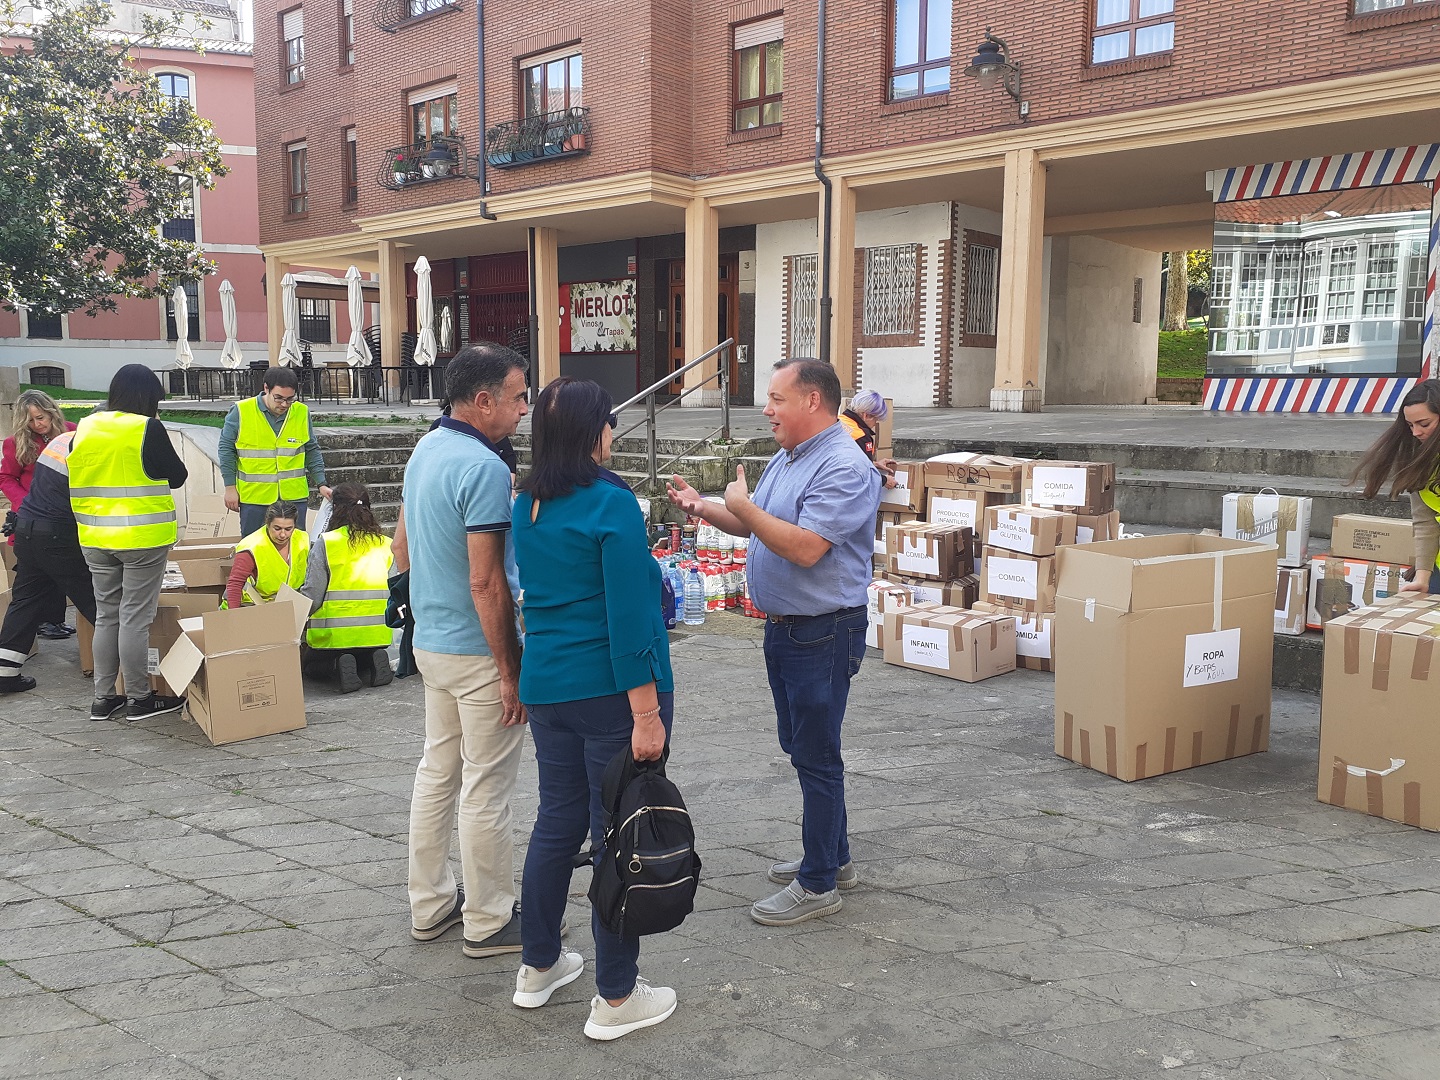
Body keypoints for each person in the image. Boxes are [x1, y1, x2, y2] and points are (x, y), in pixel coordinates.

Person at [667, 358, 881, 926]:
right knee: (802, 745)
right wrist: (709, 507)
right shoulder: (791, 457)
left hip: (824, 630)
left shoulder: (843, 466)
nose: (766, 410)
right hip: (787, 627)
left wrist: (743, 507)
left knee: (816, 753)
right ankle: (831, 858)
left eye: (776, 399)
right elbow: (757, 521)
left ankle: (818, 884)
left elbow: (807, 547)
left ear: (812, 401)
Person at [510, 377, 676, 1041]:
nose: (613, 432)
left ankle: (539, 963)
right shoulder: (611, 504)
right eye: (608, 422)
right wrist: (645, 713)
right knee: (620, 833)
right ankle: (615, 995)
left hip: (548, 684)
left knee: (556, 822)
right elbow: (630, 616)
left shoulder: (528, 502)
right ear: (593, 431)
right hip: (610, 688)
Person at [391, 343, 530, 961]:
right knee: (486, 788)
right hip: (476, 650)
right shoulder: (484, 468)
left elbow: (402, 549)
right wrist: (509, 668)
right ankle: (489, 918)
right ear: (485, 400)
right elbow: (487, 580)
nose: (524, 409)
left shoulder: (426, 450)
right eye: (519, 396)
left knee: (437, 774)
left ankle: (431, 903)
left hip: (432, 642)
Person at [68, 364, 188, 721]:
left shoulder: (86, 426)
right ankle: (139, 698)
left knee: (106, 616)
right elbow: (178, 476)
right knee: (134, 618)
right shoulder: (146, 428)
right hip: (141, 538)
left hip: (94, 536)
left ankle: (103, 698)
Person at [0, 426, 97, 694]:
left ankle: (5, 673)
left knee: (25, 601)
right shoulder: (93, 445)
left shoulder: (60, 441)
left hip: (28, 530)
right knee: (94, 598)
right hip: (56, 534)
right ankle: (135, 672)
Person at [300, 482, 394, 693]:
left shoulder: (327, 543)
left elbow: (313, 597)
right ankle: (374, 658)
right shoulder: (385, 544)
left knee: (310, 666)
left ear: (335, 510)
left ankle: (336, 665)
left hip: (335, 637)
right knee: (360, 657)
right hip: (377, 634)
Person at [1, 389, 79, 639]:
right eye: (31, 420)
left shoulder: (72, 431)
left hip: (64, 512)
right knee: (35, 572)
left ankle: (54, 620)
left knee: (60, 568)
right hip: (31, 515)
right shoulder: (16, 442)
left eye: (41, 417)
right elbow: (6, 477)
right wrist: (25, 503)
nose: (38, 425)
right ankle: (45, 621)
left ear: (52, 412)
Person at [1351, 377, 1440, 595]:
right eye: (1410, 425)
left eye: (1424, 424)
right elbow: (1425, 522)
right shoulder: (1421, 463)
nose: (1415, 432)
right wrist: (1422, 575)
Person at [219, 367, 331, 536]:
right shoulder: (241, 411)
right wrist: (230, 488)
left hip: (294, 497)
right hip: (255, 498)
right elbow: (226, 450)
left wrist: (321, 483)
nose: (284, 404)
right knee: (254, 550)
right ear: (266, 389)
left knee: (295, 550)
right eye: (278, 398)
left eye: (289, 399)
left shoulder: (301, 412)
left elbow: (311, 449)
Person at [224, 501, 308, 609]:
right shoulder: (251, 547)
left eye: (288, 529)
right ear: (268, 524)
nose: (282, 534)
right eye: (277, 528)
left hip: (284, 606)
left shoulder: (303, 540)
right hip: (248, 606)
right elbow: (235, 584)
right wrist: (233, 617)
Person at [838, 390, 899, 489]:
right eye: (876, 419)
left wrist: (874, 464)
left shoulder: (837, 421)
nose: (875, 424)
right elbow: (862, 474)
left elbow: (845, 462)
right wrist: (885, 480)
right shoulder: (861, 436)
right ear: (866, 415)